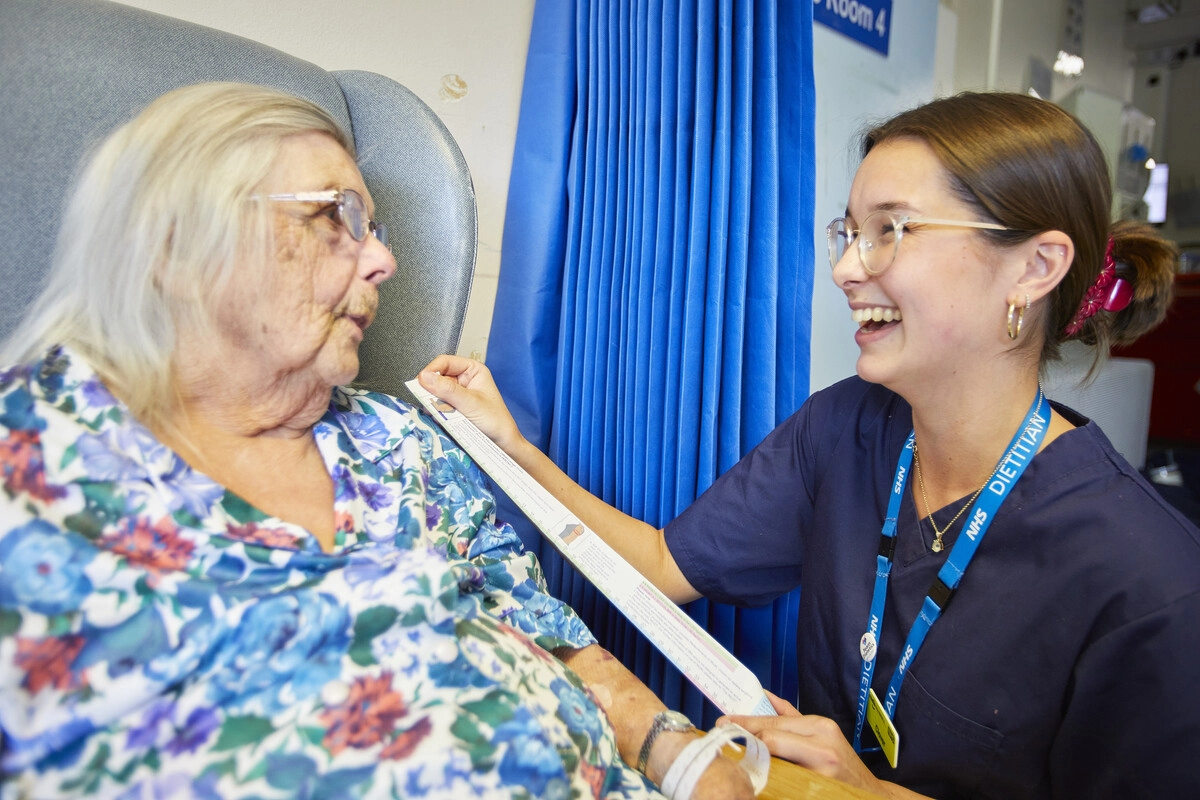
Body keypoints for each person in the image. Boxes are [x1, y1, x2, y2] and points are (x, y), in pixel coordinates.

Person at [420, 91, 1200, 798]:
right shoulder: (848, 430)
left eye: (889, 231)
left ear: (1035, 267)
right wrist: (512, 446)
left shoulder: (1150, 582)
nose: (844, 268)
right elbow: (659, 566)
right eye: (848, 233)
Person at [0, 82, 758, 799]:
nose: (384, 261)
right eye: (338, 216)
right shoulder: (31, 467)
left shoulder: (395, 440)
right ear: (176, 242)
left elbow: (555, 640)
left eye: (375, 228)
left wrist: (685, 758)